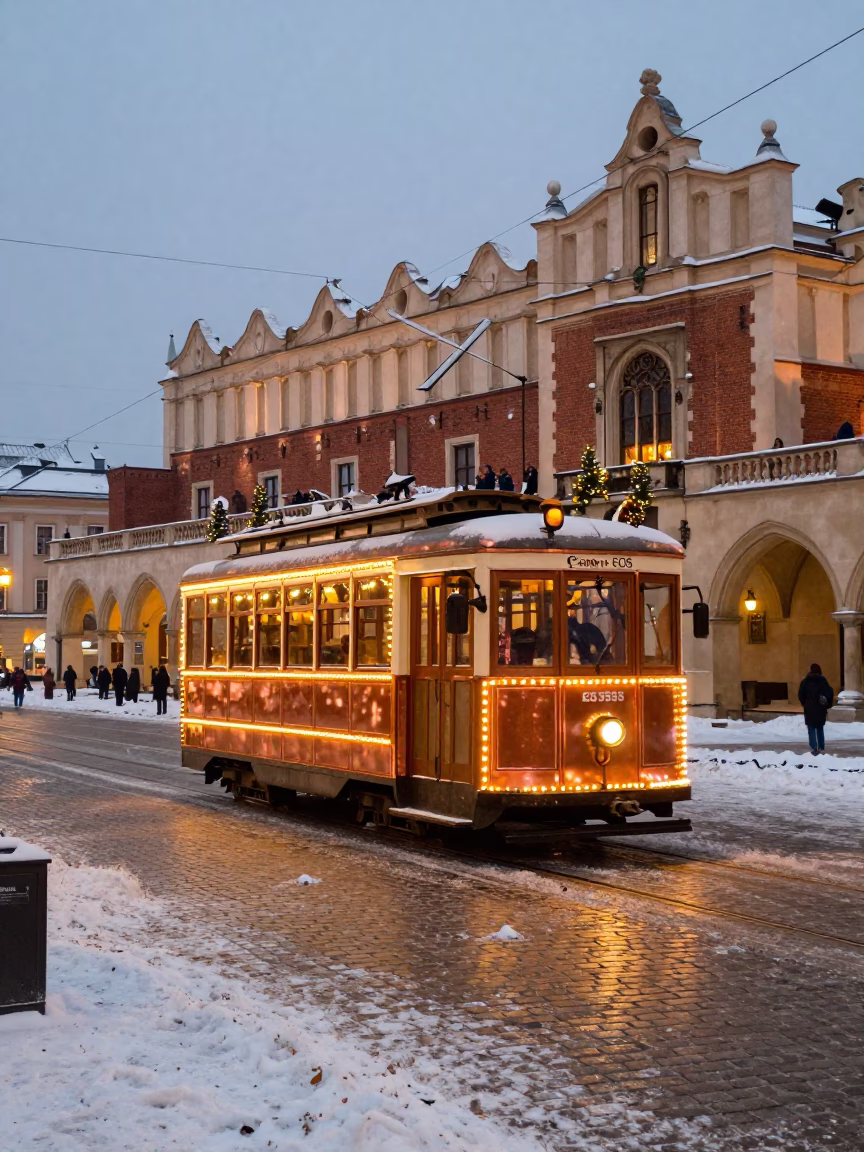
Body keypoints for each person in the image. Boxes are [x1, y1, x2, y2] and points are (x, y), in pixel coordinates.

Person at [797, 662, 834, 755]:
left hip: (809, 708)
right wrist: (826, 703)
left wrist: (805, 703)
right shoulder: (823, 681)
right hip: (820, 708)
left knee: (811, 728)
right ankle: (821, 747)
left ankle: (814, 747)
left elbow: (801, 695)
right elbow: (829, 693)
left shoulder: (805, 682)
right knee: (820, 727)